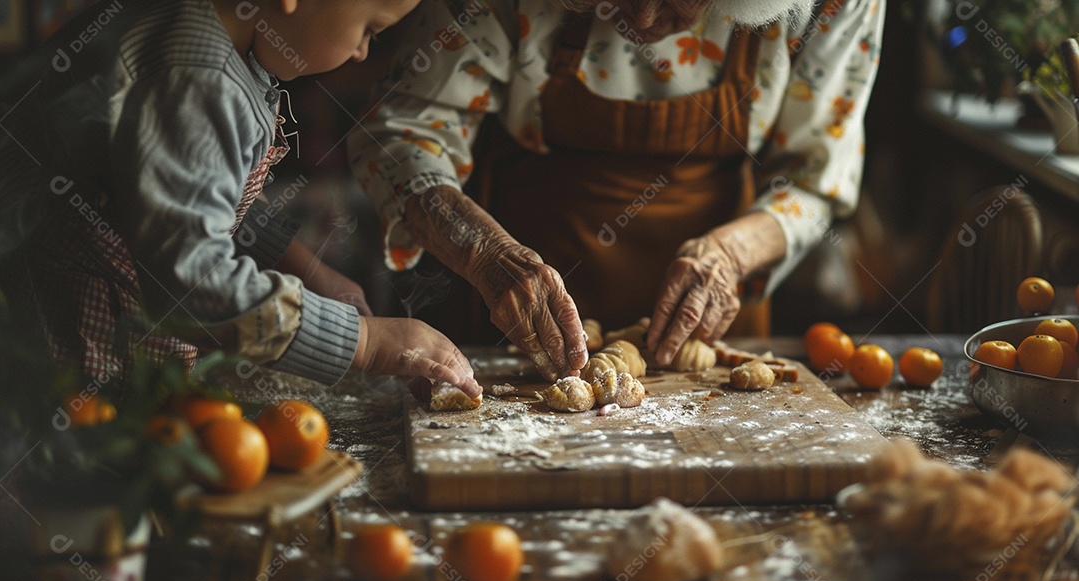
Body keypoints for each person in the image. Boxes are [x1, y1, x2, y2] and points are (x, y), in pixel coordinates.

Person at [349, 0, 884, 381]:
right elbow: (401, 133)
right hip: (508, 326)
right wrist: (486, 252)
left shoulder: (831, 4)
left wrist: (729, 254)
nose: (644, 19)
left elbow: (816, 177)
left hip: (715, 337)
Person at [0, 0, 481, 397]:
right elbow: (187, 284)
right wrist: (370, 344)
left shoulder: (225, 43)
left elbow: (202, 200)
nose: (361, 52)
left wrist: (307, 268)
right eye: (369, 29)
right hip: (63, 355)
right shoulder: (196, 75)